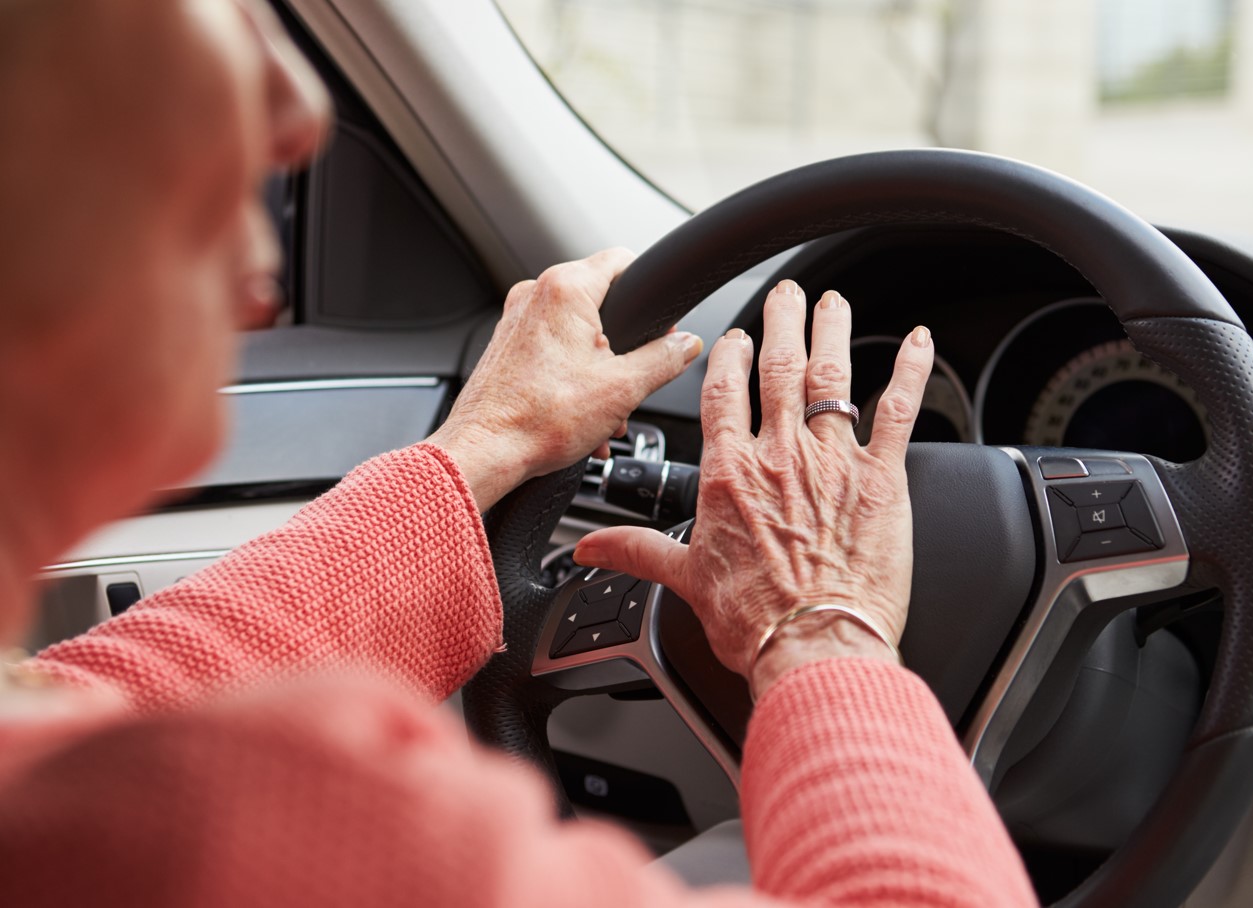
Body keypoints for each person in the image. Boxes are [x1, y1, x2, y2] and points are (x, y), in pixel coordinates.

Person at [0, 1, 1038, 905]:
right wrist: (819, 625)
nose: (298, 106)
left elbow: (89, 698)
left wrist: (485, 446)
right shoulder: (247, 832)